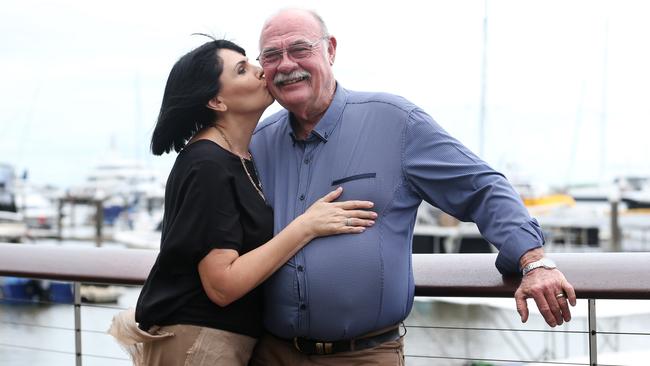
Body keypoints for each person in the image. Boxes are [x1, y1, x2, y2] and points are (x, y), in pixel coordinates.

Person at [248, 8, 577, 365]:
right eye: (271, 55)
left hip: (365, 356)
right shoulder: (257, 144)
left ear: (330, 50)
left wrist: (533, 261)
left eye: (299, 49)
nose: (285, 64)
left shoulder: (395, 123)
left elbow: (481, 187)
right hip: (270, 353)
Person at [108, 37, 377, 366]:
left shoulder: (238, 157)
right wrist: (307, 226)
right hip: (199, 342)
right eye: (242, 70)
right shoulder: (207, 163)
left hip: (222, 341)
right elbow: (222, 285)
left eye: (251, 62)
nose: (261, 70)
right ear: (217, 101)